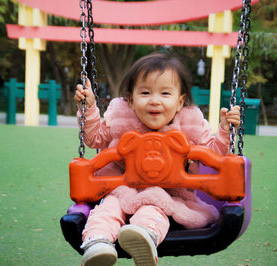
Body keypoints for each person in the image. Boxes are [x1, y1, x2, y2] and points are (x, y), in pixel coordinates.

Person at [74, 52, 240, 266]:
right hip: (120, 187)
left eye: (165, 93)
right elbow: (95, 137)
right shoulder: (120, 116)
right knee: (109, 208)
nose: (154, 101)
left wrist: (225, 131)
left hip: (169, 192)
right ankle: (97, 243)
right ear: (131, 100)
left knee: (154, 206)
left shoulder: (190, 121)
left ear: (180, 101)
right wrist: (88, 109)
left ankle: (144, 237)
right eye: (145, 92)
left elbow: (213, 154)